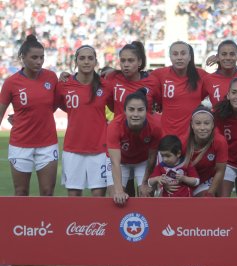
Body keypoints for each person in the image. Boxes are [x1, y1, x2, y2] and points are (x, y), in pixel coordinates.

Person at [0, 34, 58, 196]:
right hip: (20, 144)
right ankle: (23, 223)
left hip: (47, 143)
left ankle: (46, 222)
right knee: (21, 192)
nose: (39, 61)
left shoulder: (51, 77)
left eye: (42, 57)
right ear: (22, 57)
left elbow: (52, 106)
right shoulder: (11, 83)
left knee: (47, 192)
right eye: (34, 57)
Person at [56, 45, 113, 197]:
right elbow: (59, 105)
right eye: (82, 58)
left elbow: (116, 109)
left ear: (96, 61)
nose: (86, 62)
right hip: (73, 149)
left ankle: (98, 223)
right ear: (76, 61)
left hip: (100, 149)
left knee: (98, 196)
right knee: (74, 196)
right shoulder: (64, 85)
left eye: (90, 58)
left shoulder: (106, 85)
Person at [106, 88, 161, 205]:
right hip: (121, 162)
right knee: (115, 197)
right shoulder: (114, 127)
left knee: (147, 196)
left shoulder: (155, 126)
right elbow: (115, 162)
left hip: (143, 161)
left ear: (146, 111)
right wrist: (119, 191)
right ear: (125, 111)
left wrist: (145, 182)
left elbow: (152, 157)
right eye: (131, 110)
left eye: (140, 110)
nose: (135, 114)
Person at [147, 41, 208, 143]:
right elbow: (139, 80)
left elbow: (220, 82)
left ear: (189, 57)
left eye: (183, 53)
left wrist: (220, 63)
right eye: (175, 54)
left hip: (193, 138)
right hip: (167, 137)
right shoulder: (159, 74)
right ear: (170, 57)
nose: (179, 57)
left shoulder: (201, 75)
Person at [184, 105, 228, 197]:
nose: (202, 127)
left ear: (212, 125)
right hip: (185, 180)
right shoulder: (183, 142)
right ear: (192, 125)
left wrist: (210, 193)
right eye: (198, 123)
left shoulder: (220, 141)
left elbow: (220, 171)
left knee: (207, 203)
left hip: (206, 181)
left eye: (207, 123)